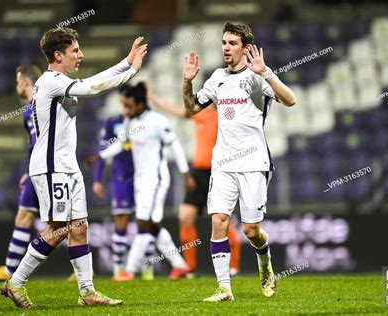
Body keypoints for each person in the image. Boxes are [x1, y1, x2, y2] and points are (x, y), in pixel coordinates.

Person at [0, 27, 147, 308]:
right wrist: (131, 73)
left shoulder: (59, 81)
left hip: (68, 167)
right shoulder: (50, 81)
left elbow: (92, 79)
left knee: (79, 227)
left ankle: (87, 292)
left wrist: (126, 62)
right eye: (75, 51)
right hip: (51, 166)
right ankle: (16, 282)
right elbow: (92, 87)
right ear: (58, 55)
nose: (81, 55)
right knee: (59, 229)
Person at [182, 22, 296, 302]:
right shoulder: (217, 78)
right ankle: (224, 288)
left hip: (254, 163)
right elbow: (193, 109)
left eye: (232, 43)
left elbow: (290, 100)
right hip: (222, 162)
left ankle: (265, 263)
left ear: (245, 48)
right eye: (223, 43)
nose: (226, 48)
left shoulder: (258, 78)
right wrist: (187, 82)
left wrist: (267, 73)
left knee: (250, 230)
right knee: (219, 220)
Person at [93, 83, 195, 281]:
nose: (127, 110)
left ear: (140, 104)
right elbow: (121, 145)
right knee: (152, 225)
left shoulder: (157, 121)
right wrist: (100, 157)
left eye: (130, 106)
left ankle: (129, 270)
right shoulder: (130, 123)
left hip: (156, 179)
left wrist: (185, 174)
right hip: (141, 181)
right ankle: (180, 265)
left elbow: (175, 146)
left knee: (144, 223)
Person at [146, 86, 241, 277]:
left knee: (225, 221)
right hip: (199, 173)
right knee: (185, 217)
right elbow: (177, 111)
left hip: (219, 172)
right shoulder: (201, 113)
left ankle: (234, 267)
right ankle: (190, 267)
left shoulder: (228, 117)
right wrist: (152, 97)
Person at [92, 85, 156, 280]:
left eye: (127, 101)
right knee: (121, 221)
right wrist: (97, 179)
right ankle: (119, 268)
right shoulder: (113, 122)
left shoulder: (148, 121)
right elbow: (103, 151)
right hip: (121, 177)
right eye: (122, 101)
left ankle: (148, 268)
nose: (124, 105)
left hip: (144, 176)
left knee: (147, 220)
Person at [0, 65, 42, 281]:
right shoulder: (27, 112)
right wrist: (28, 170)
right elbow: (32, 144)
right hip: (35, 171)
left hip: (51, 169)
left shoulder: (47, 104)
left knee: (66, 222)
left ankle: (82, 270)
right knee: (23, 216)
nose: (16, 86)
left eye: (18, 82)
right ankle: (10, 270)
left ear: (26, 83)